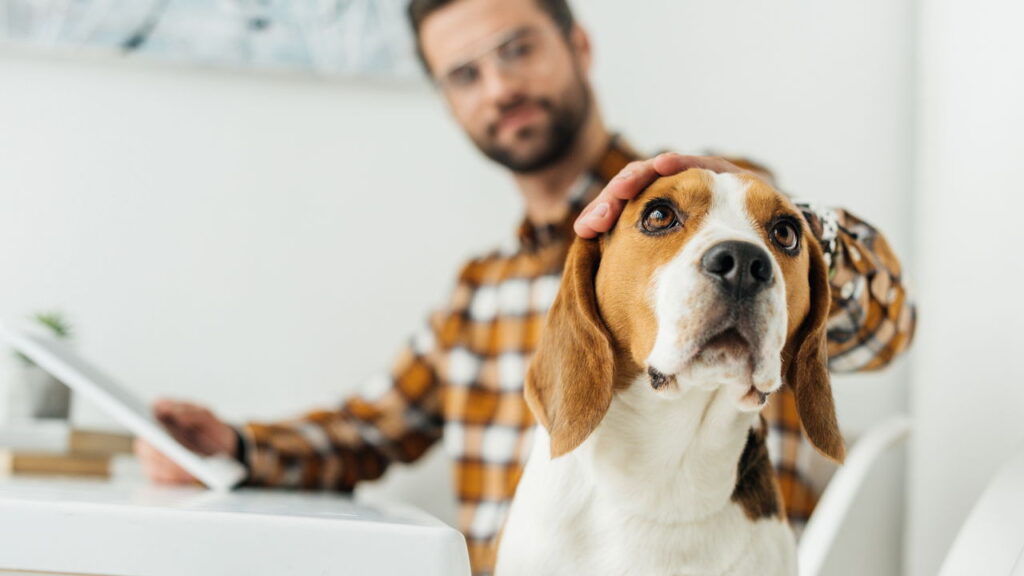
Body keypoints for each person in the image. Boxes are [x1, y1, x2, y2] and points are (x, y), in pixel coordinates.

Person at [135, 0, 916, 574]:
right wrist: (234, 446)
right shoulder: (480, 290)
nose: (499, 86)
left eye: (517, 49)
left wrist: (797, 232)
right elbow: (370, 429)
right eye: (466, 74)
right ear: (449, 101)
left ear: (577, 43)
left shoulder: (737, 207)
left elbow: (886, 329)